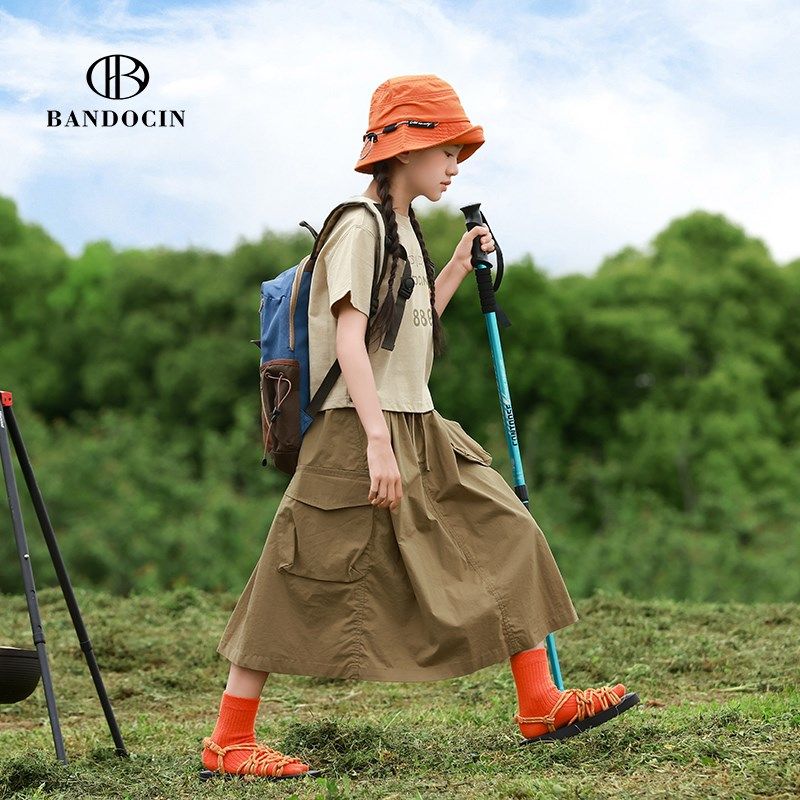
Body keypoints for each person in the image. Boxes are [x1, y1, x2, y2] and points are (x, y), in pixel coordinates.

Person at [200, 74, 637, 782]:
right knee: (296, 574)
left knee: (507, 530)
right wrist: (376, 442)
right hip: (356, 429)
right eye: (447, 150)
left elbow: (407, 326)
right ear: (404, 149)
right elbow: (350, 341)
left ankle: (540, 703)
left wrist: (457, 267)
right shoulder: (358, 224)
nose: (456, 165)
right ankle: (228, 741)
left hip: (422, 423)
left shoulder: (406, 226)